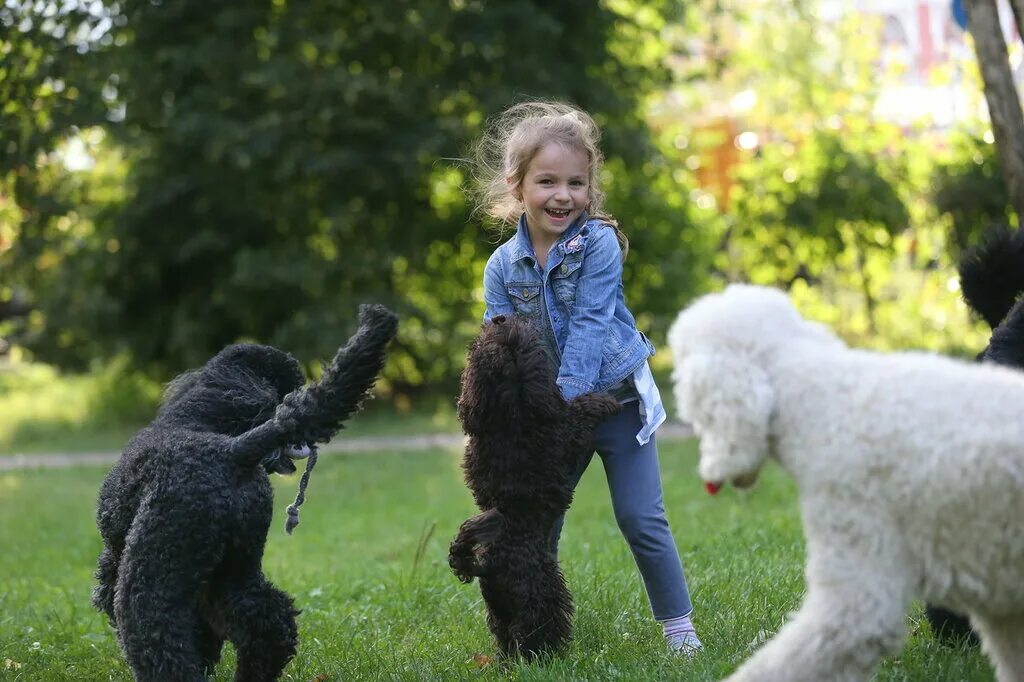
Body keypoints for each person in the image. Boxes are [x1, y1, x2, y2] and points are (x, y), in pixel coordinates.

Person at [468, 100, 701, 654]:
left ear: (590, 188)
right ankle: (533, 630)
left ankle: (679, 628)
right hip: (552, 416)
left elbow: (593, 327)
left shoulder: (596, 244)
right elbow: (498, 348)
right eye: (547, 181)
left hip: (615, 402)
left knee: (641, 518)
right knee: (534, 526)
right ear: (517, 185)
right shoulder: (501, 266)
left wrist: (561, 409)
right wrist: (509, 422)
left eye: (576, 183)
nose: (562, 195)